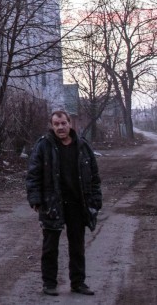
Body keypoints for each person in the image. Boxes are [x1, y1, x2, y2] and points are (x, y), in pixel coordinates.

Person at [26, 109, 102, 296]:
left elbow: (94, 176)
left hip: (78, 204)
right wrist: (35, 199)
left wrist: (96, 199)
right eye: (56, 124)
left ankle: (78, 283)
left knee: (77, 246)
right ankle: (49, 283)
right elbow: (33, 175)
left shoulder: (83, 146)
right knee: (50, 246)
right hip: (52, 204)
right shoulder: (43, 146)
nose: (60, 127)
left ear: (70, 124)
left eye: (63, 123)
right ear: (52, 126)